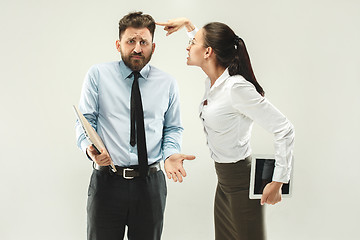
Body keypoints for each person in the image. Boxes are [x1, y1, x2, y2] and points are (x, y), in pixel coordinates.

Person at [156, 18, 295, 240]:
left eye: (193, 43)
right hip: (223, 183)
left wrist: (278, 180)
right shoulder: (213, 84)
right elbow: (201, 43)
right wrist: (188, 25)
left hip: (241, 183)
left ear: (209, 51)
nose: (188, 46)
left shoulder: (236, 88)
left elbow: (284, 129)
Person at [75, 12, 195, 240]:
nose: (137, 49)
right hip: (107, 182)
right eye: (131, 41)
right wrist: (89, 150)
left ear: (153, 46)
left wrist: (170, 155)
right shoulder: (98, 75)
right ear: (119, 44)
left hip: (149, 185)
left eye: (144, 42)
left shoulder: (167, 83)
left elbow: (172, 128)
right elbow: (85, 120)